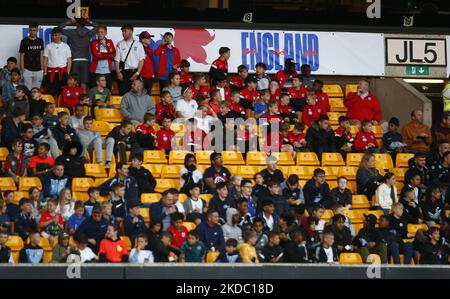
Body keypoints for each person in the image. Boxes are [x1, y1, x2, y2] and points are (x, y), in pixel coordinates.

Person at [114, 24, 145, 96]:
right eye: (122, 31)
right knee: (123, 95)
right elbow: (116, 60)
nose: (123, 33)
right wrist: (118, 72)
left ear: (131, 32)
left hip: (135, 72)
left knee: (136, 96)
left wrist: (137, 73)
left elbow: (141, 60)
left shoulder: (138, 44)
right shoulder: (120, 44)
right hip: (123, 73)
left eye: (125, 31)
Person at [43, 27, 72, 96]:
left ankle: (61, 106)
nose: (54, 37)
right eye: (53, 35)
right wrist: (45, 72)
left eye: (56, 35)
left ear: (60, 35)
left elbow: (69, 60)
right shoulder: (48, 46)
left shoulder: (66, 46)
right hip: (51, 72)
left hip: (63, 72)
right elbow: (45, 60)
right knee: (51, 92)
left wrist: (67, 72)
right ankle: (52, 106)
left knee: (62, 93)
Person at [90, 25, 116, 91]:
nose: (100, 34)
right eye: (98, 32)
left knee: (107, 92)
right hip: (96, 72)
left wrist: (101, 54)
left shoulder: (109, 42)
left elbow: (113, 54)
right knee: (95, 93)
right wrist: (108, 54)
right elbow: (95, 56)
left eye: (102, 32)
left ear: (105, 33)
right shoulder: (93, 42)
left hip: (107, 72)